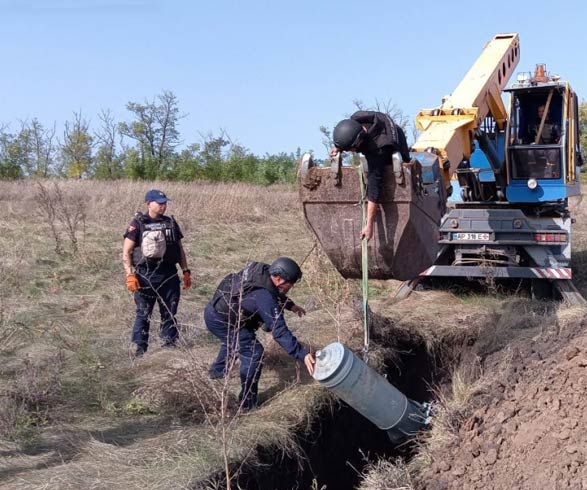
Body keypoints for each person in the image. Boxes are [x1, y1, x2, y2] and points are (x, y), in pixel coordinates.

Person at [205, 258, 315, 412]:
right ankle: (247, 403)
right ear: (278, 278)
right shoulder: (264, 297)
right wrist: (301, 353)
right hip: (222, 320)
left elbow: (274, 290)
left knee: (237, 341)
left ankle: (217, 372)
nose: (292, 286)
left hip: (219, 313)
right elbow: (279, 331)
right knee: (252, 352)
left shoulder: (264, 273)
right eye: (291, 283)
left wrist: (290, 305)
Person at [123, 189, 191, 356]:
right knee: (143, 313)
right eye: (159, 203)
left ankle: (169, 346)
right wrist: (130, 275)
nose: (163, 206)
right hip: (146, 275)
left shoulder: (171, 223)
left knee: (169, 311)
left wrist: (185, 270)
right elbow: (126, 251)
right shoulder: (138, 223)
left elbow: (180, 249)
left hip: (169, 273)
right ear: (148, 204)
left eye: (165, 203)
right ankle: (139, 348)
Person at [329, 111, 412, 240]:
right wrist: (339, 147)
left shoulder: (377, 149)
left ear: (359, 142)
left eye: (351, 149)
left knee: (398, 171)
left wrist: (369, 225)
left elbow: (374, 190)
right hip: (379, 129)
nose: (352, 152)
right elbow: (348, 134)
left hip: (395, 141)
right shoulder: (356, 119)